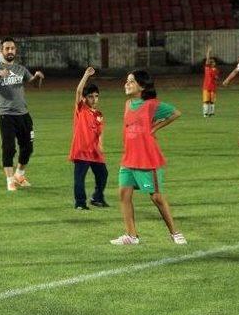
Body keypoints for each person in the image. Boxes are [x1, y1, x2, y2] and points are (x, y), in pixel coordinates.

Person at [110, 70, 186, 246]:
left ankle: (175, 233)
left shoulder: (151, 105)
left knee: (156, 197)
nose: (127, 84)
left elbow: (175, 113)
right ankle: (131, 235)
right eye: (127, 81)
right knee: (123, 193)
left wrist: (156, 127)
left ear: (142, 86)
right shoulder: (128, 104)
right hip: (129, 158)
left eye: (131, 82)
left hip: (146, 158)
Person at [0, 37, 45, 191]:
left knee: (28, 147)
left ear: (15, 51)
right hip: (5, 114)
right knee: (9, 148)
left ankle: (19, 175)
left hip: (23, 114)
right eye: (7, 48)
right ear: (2, 51)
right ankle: (10, 181)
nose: (10, 51)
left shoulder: (21, 69)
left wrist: (38, 78)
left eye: (12, 48)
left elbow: (35, 85)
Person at [69, 67, 109, 210]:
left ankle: (97, 198)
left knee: (103, 174)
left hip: (94, 151)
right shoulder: (81, 108)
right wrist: (86, 75)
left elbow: (100, 131)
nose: (94, 99)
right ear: (85, 98)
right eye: (91, 96)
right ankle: (80, 203)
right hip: (81, 149)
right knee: (80, 178)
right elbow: (79, 91)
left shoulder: (99, 114)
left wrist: (101, 145)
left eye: (96, 96)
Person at [202, 45, 220, 117]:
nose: (212, 63)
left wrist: (216, 77)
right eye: (210, 62)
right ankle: (205, 113)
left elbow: (216, 78)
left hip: (213, 87)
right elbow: (207, 59)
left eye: (213, 62)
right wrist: (208, 52)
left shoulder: (215, 70)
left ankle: (211, 113)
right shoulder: (207, 68)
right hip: (206, 87)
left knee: (212, 101)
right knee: (206, 101)